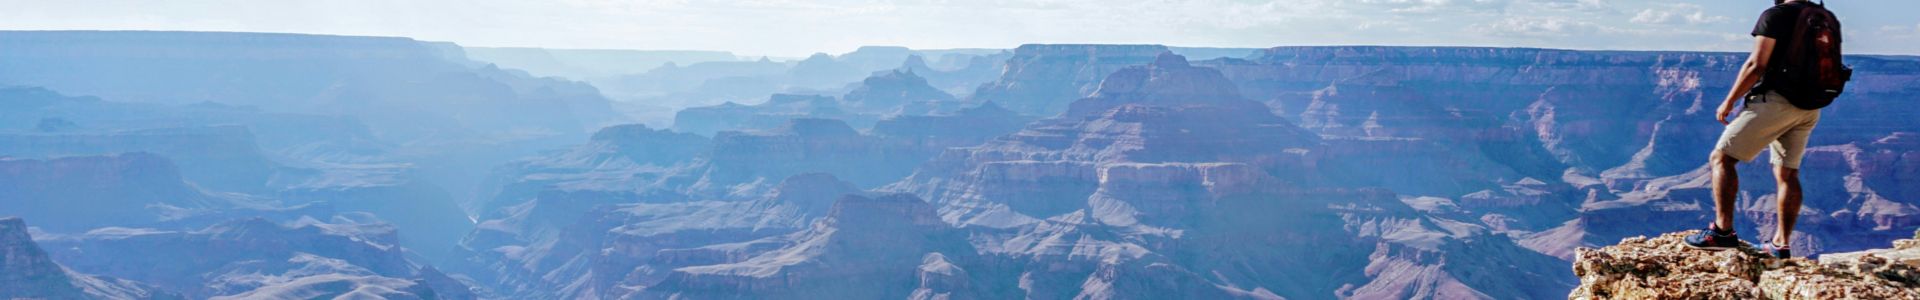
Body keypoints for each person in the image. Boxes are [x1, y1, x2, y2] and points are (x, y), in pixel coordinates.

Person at [1683, 0, 1846, 259]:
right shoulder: (1822, 16)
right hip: (1809, 107)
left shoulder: (1775, 15)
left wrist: (1730, 100)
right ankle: (1781, 244)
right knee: (1787, 174)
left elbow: (1756, 65)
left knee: (1722, 158)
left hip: (1777, 102)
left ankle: (1722, 233)